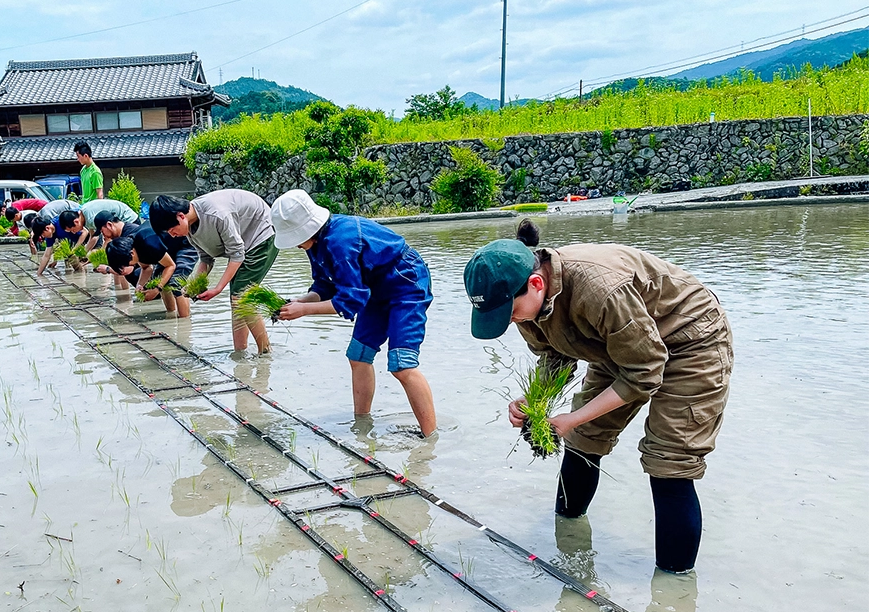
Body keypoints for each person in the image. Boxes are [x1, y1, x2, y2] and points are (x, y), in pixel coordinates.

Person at [462, 219, 734, 574]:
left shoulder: (599, 288)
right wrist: (532, 400)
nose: (512, 322)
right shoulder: (528, 305)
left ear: (536, 284)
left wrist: (572, 418)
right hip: (615, 345)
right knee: (583, 440)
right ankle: (568, 541)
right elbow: (556, 355)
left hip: (690, 341)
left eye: (510, 312)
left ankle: (672, 590)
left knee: (668, 462)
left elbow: (645, 371)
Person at [270, 189, 436, 436]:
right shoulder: (315, 245)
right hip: (373, 289)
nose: (295, 245)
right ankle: (362, 423)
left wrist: (303, 310)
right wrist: (297, 301)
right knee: (358, 356)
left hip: (406, 284)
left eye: (295, 239)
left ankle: (430, 437)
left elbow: (350, 302)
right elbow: (324, 287)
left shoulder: (340, 241)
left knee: (402, 365)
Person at [148, 190, 278, 354]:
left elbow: (237, 254)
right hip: (243, 244)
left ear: (181, 216)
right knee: (237, 300)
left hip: (262, 236)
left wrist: (217, 289)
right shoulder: (190, 227)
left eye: (171, 230)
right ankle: (240, 351)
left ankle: (265, 351)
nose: (172, 235)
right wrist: (193, 285)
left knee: (241, 297)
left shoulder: (217, 214)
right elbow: (206, 258)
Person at [131, 224, 197, 318]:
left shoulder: (147, 242)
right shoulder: (135, 246)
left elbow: (171, 266)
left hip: (185, 243)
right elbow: (146, 268)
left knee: (176, 283)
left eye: (128, 264)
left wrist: (157, 289)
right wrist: (139, 286)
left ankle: (184, 323)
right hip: (169, 246)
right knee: (159, 277)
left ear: (131, 254)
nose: (132, 265)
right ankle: (171, 314)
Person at [61, 198, 139, 253]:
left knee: (127, 252)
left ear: (76, 222)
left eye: (72, 230)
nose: (74, 233)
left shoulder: (91, 218)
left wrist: (101, 255)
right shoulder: (84, 214)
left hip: (128, 219)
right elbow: (94, 236)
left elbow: (108, 238)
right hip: (118, 222)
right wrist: (83, 254)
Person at [30, 198, 82, 275]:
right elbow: (46, 256)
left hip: (86, 239)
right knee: (77, 269)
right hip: (76, 243)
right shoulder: (50, 236)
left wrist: (75, 249)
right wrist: (39, 274)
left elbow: (84, 232)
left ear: (47, 228)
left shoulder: (62, 222)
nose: (43, 237)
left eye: (42, 234)